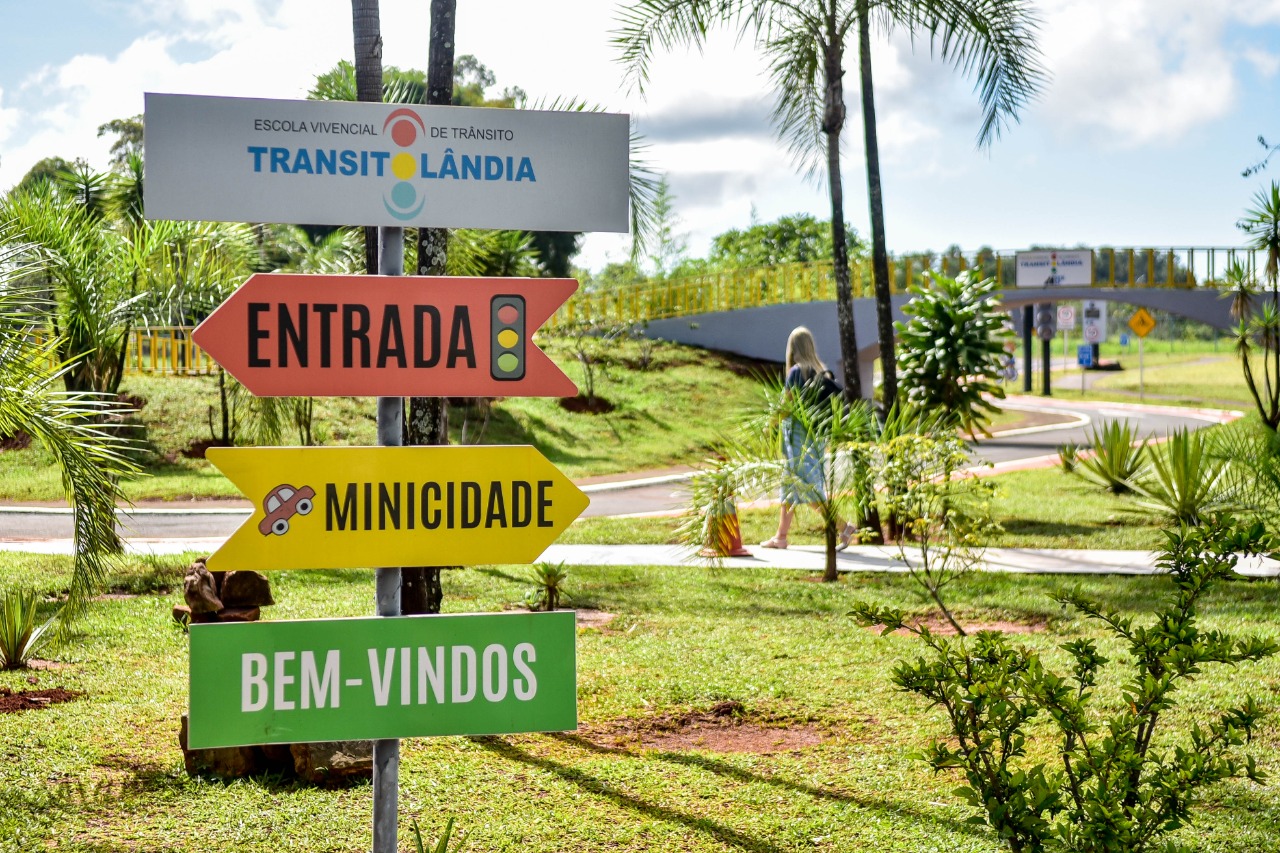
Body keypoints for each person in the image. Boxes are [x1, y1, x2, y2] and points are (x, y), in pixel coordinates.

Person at [760, 326, 855, 551]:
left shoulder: (797, 372)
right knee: (791, 486)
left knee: (807, 488)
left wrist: (768, 425)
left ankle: (844, 526)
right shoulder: (823, 371)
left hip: (799, 440)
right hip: (816, 438)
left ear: (793, 348)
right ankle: (781, 536)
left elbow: (786, 405)